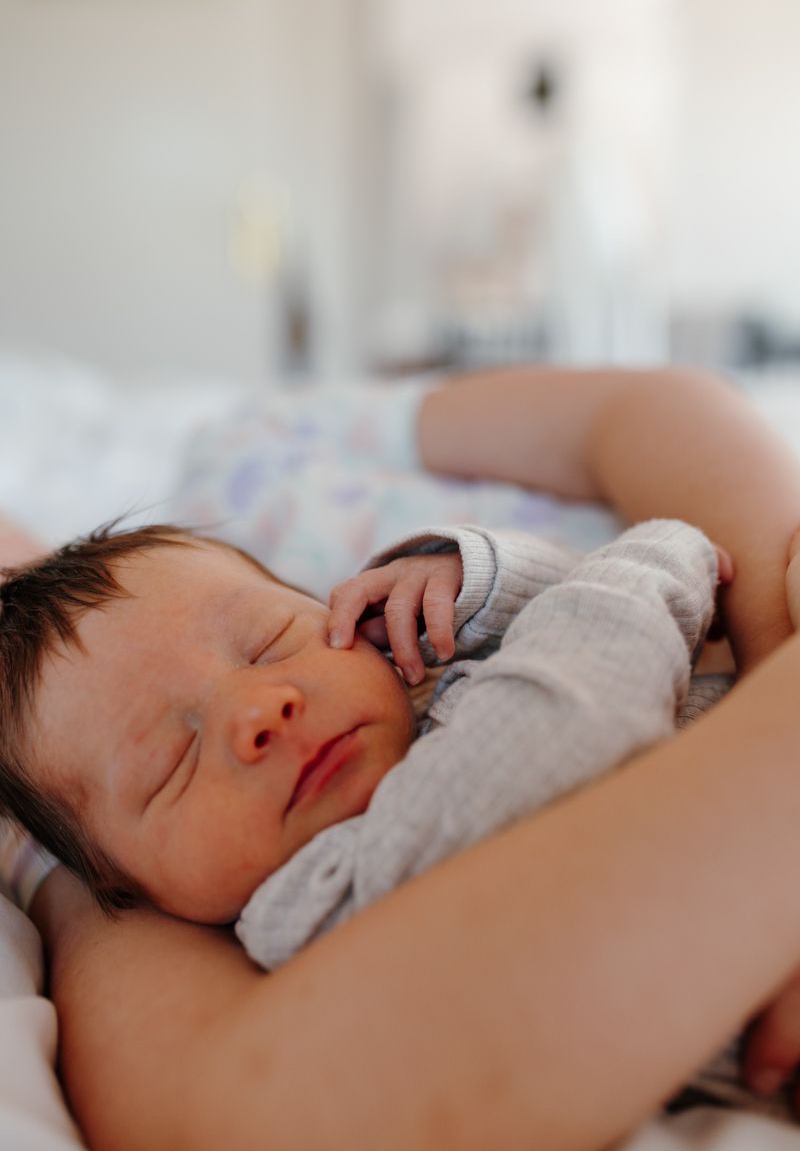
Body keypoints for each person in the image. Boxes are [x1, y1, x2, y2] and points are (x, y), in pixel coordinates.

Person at [8, 364, 800, 1150]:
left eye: (269, 643)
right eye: (172, 761)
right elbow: (561, 729)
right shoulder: (319, 901)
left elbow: (642, 406)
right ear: (125, 887)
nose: (258, 711)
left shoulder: (255, 459)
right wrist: (658, 561)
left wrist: (470, 580)